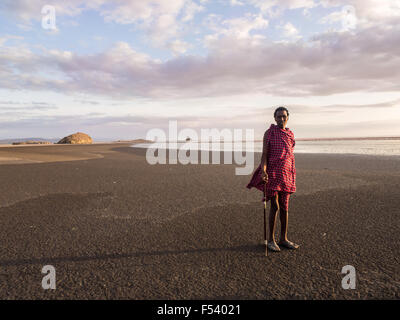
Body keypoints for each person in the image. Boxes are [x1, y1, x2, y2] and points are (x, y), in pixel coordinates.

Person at [247, 106, 299, 252]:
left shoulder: (290, 134)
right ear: (274, 118)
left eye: (284, 116)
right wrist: (263, 171)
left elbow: (290, 154)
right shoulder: (269, 133)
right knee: (274, 206)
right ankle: (271, 240)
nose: (281, 119)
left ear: (288, 117)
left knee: (285, 207)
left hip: (287, 174)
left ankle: (284, 239)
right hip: (273, 174)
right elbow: (264, 155)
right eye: (279, 117)